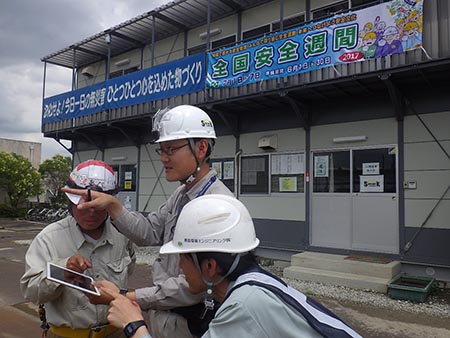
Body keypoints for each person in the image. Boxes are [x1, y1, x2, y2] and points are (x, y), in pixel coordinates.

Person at [62, 105, 234, 338]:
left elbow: (195, 286)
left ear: (201, 148)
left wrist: (124, 295)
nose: (163, 158)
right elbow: (150, 232)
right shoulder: (182, 194)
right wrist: (112, 205)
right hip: (166, 319)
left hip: (188, 324)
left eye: (170, 149)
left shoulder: (216, 204)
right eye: (161, 150)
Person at [101, 194, 363, 338]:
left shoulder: (243, 306)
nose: (178, 266)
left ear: (210, 266)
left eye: (182, 258)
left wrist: (134, 325)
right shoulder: (256, 284)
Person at [20, 159, 136, 338]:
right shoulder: (49, 238)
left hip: (116, 333)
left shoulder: (122, 235)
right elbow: (31, 292)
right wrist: (62, 271)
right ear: (69, 202)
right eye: (82, 206)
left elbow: (130, 268)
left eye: (97, 206)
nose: (90, 213)